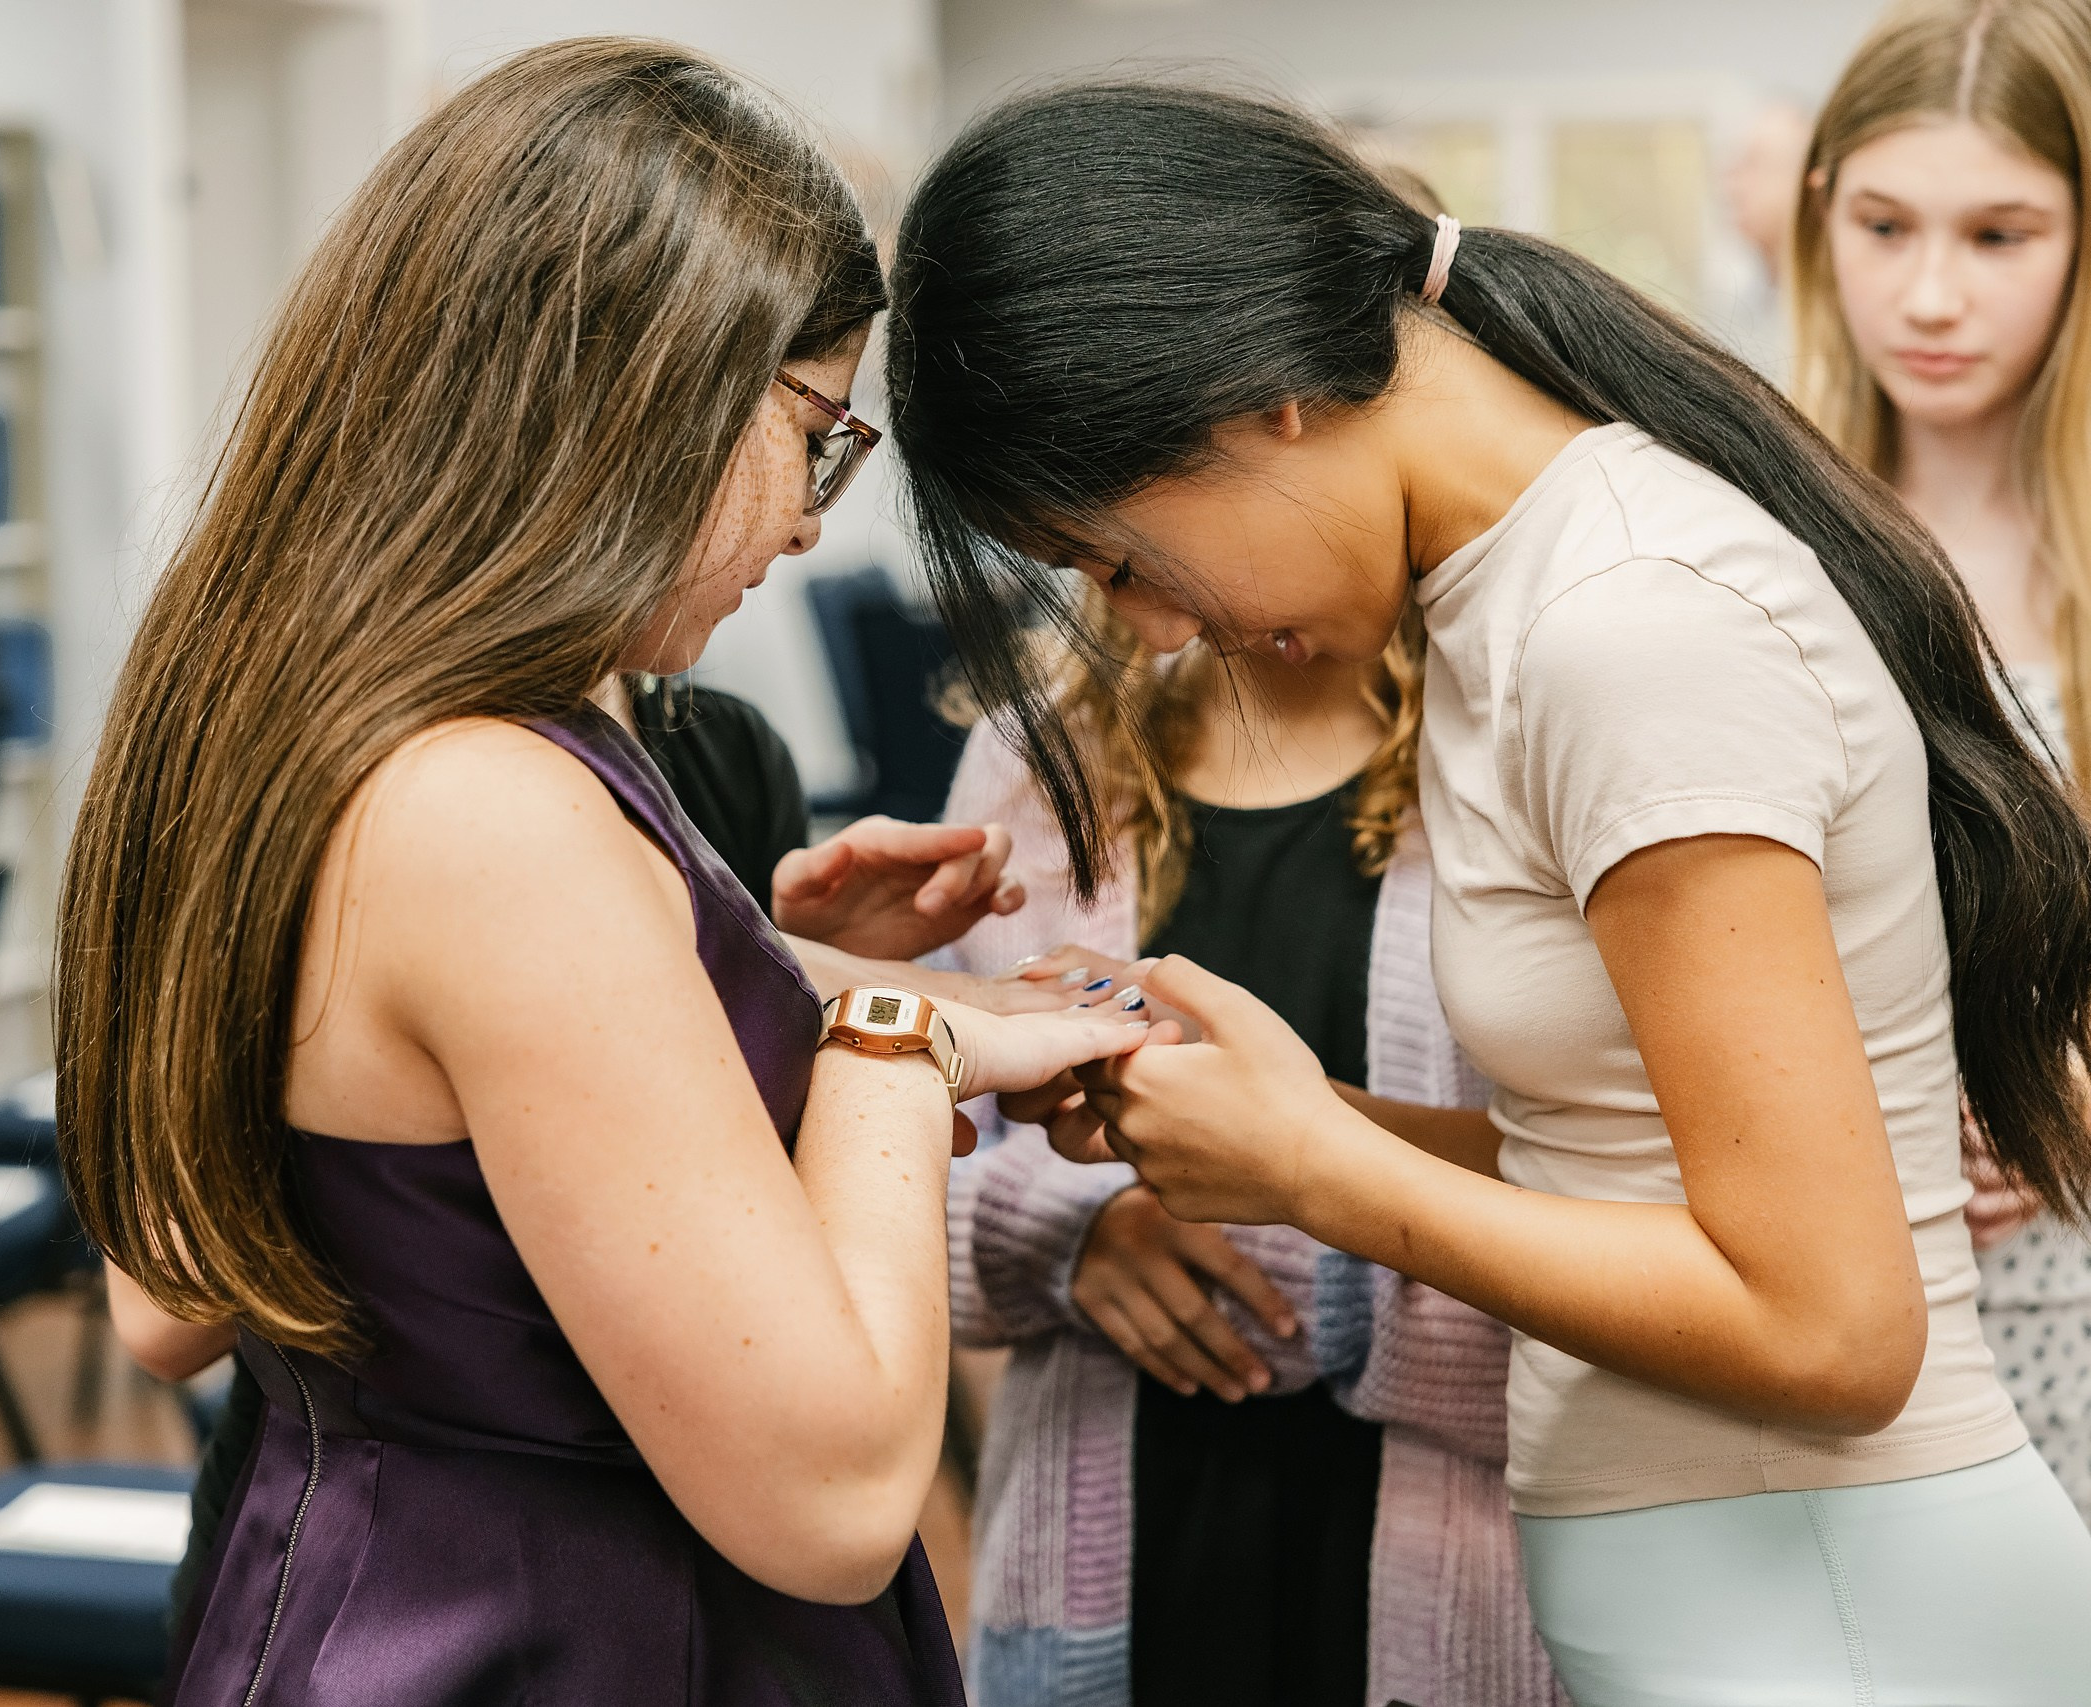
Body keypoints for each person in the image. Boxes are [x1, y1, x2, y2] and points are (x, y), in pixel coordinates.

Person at [885, 77, 2091, 1704]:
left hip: (1832, 1604)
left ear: (1256, 401)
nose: (1153, 629)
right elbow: (1621, 1169)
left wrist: (1315, 1169)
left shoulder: (1624, 620)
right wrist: (1289, 1113)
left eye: (1118, 558)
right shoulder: (1510, 593)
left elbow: (1832, 1331)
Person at [56, 41, 1147, 1706]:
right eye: (814, 434)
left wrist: (803, 982)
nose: (809, 522)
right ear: (646, 391)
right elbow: (838, 1496)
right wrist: (896, 1047)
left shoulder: (309, 717)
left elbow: (249, 1232)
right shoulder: (490, 806)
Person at [115, 672, 1063, 1637]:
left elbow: (742, 1226)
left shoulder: (723, 753)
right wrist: (881, 1043)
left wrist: (775, 981)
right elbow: (163, 1309)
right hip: (413, 1584)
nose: (790, 546)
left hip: (713, 1554)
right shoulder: (408, 782)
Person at [939, 588, 1566, 1707]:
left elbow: (1622, 1213)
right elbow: (920, 1170)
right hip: (1121, 1570)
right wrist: (1066, 1232)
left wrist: (1315, 1267)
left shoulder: (1527, 743)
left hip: (1456, 1573)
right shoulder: (1038, 759)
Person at [1790, 0, 2091, 1520]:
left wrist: (2069, 1105)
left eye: (1998, 236)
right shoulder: (1746, 526)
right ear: (1819, 211)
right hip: (1818, 1282)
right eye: (1885, 224)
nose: (1928, 295)